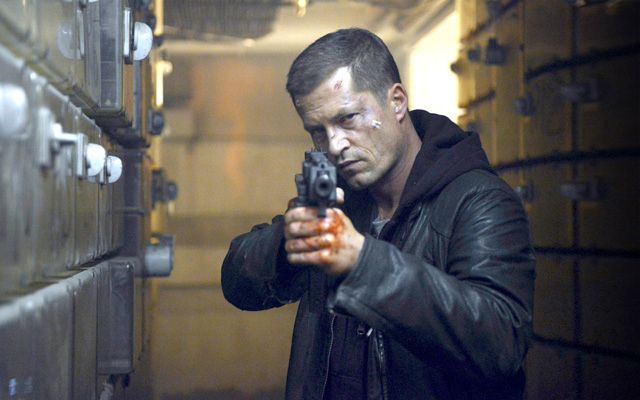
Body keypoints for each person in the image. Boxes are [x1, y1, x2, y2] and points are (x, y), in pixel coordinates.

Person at [221, 28, 535, 400]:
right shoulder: (338, 201)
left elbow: (500, 343)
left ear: (397, 102)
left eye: (347, 119)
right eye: (318, 131)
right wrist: (285, 242)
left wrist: (362, 263)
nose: (334, 145)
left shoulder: (479, 201)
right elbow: (237, 283)